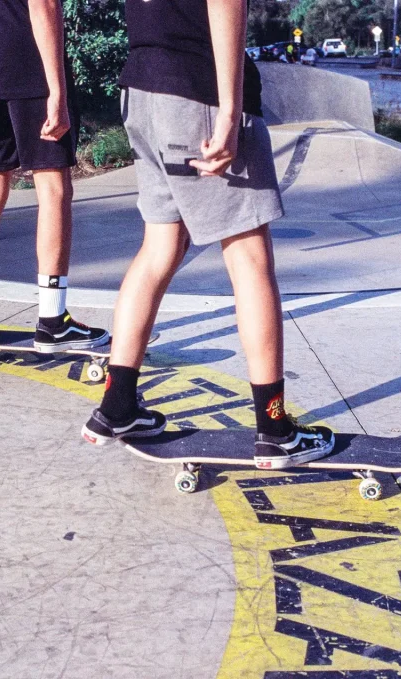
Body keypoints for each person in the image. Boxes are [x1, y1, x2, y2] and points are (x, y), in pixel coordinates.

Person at [81, 0, 335, 468]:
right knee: (249, 257)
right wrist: (229, 112)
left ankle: (116, 408)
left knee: (159, 247)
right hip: (198, 93)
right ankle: (275, 428)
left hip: (142, 91)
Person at [0, 0, 108, 352]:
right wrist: (57, 91)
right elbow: (44, 5)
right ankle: (53, 322)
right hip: (31, 69)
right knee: (54, 189)